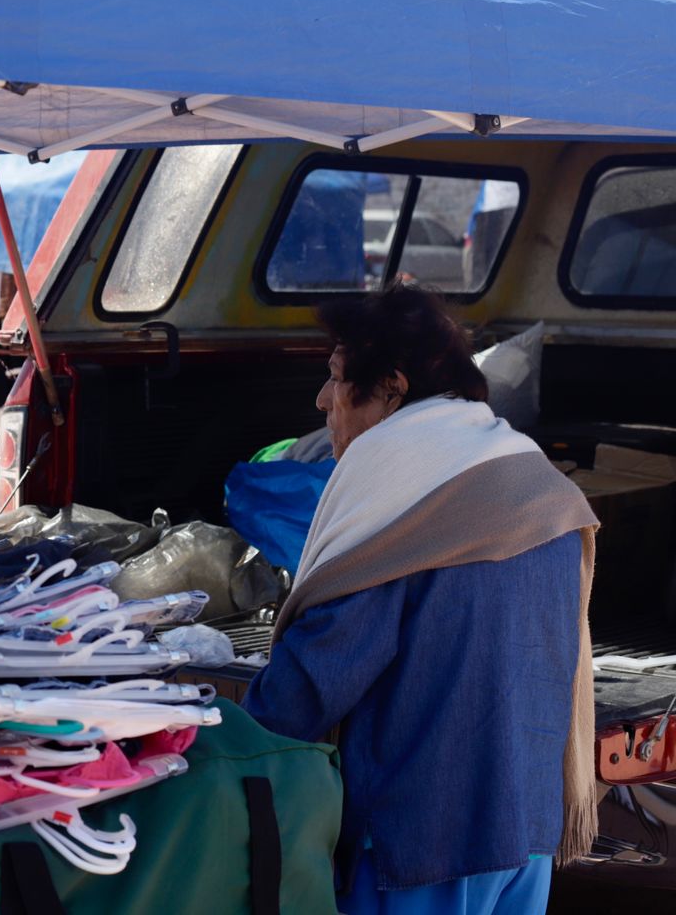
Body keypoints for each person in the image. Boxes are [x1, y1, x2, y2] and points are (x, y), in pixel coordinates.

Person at [242, 284, 598, 914]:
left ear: (391, 388)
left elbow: (316, 681)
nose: (323, 400)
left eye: (335, 378)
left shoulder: (401, 494)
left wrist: (213, 732)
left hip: (420, 844)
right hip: (525, 833)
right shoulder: (533, 477)